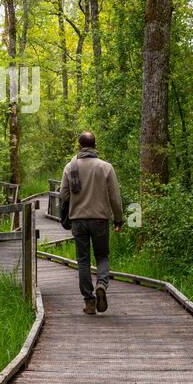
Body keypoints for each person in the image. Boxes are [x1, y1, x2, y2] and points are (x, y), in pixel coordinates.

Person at [58, 131, 123, 315]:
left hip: (78, 220)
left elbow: (63, 195)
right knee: (102, 256)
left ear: (79, 146)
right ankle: (101, 284)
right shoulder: (106, 167)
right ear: (95, 146)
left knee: (83, 261)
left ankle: (89, 301)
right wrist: (118, 219)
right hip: (100, 219)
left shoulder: (70, 167)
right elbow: (115, 198)